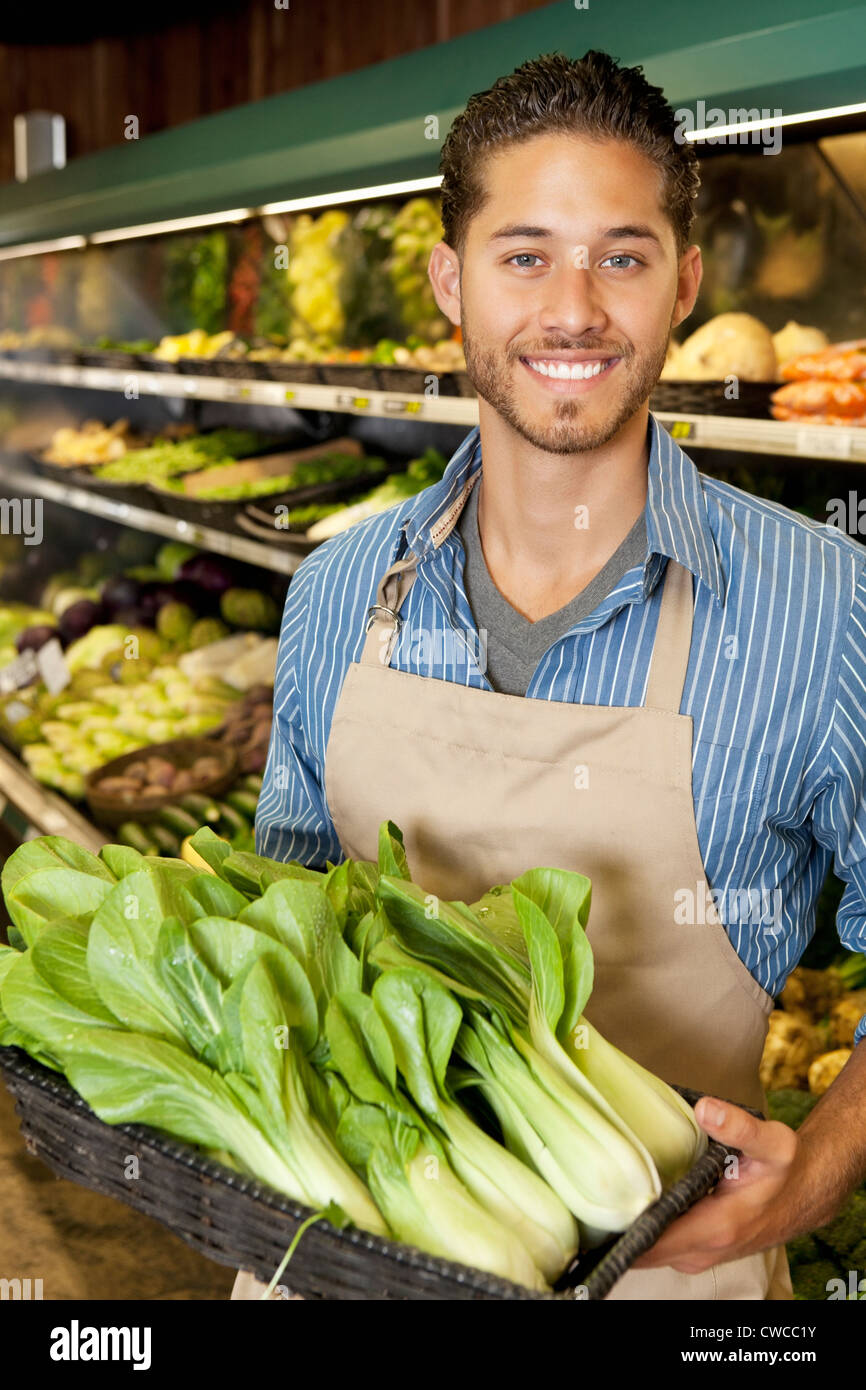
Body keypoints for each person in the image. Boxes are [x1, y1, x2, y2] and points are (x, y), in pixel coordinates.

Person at [233, 49, 866, 1301]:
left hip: (674, 1272)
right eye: (523, 255)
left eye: (619, 257)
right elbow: (282, 921)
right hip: (342, 1258)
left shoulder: (827, 607)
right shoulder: (336, 592)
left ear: (680, 285)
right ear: (447, 285)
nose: (572, 308)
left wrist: (815, 1175)